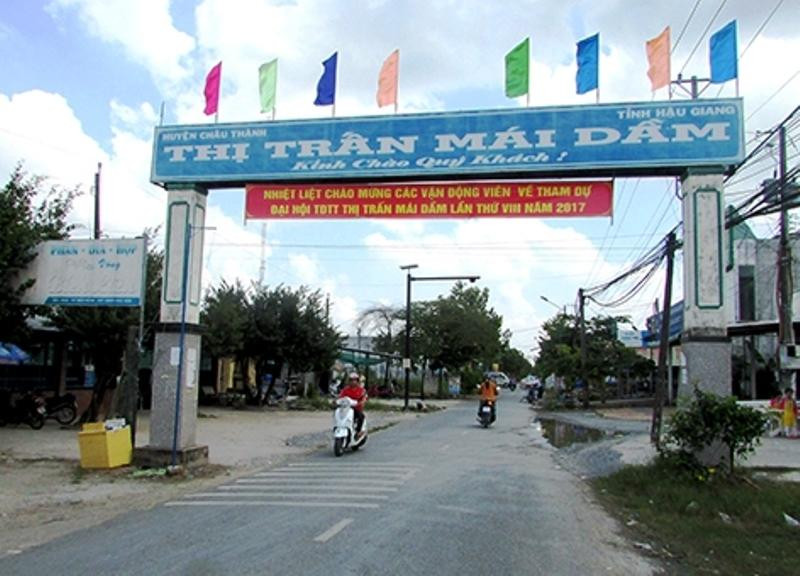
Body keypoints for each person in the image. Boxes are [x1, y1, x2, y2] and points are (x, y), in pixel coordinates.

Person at [339, 371, 367, 438]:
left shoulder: (361, 390)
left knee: (361, 416)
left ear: (358, 381)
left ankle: (358, 431)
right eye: (351, 380)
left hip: (356, 409)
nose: (353, 382)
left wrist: (362, 402)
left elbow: (364, 398)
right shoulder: (345, 390)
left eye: (355, 380)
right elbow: (340, 398)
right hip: (346, 408)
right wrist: (336, 402)